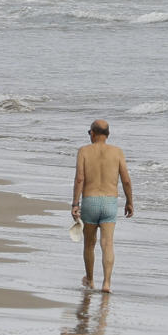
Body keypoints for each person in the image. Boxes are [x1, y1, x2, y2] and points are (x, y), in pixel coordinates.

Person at [70, 119, 134, 293]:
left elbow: (80, 179)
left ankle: (90, 280)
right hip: (109, 202)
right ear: (108, 135)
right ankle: (107, 283)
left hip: (90, 201)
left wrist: (75, 203)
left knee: (89, 244)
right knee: (107, 244)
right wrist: (129, 201)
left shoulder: (83, 151)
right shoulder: (117, 152)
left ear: (92, 133)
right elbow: (126, 180)